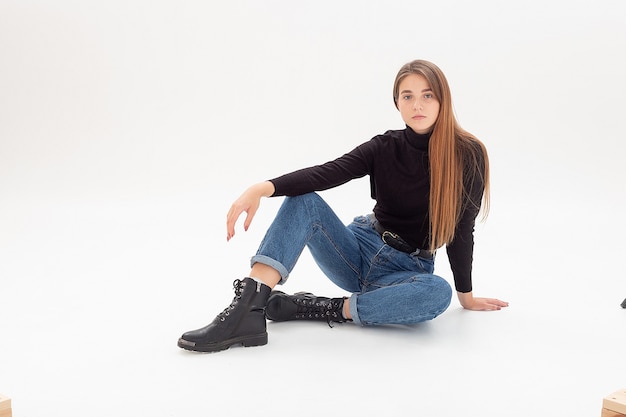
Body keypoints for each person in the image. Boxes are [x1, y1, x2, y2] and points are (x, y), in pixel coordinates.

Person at [177, 59, 509, 353]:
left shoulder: (467, 154)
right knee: (305, 202)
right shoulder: (384, 147)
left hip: (407, 271)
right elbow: (328, 172)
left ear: (442, 99)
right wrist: (263, 188)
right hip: (357, 250)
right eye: (407, 96)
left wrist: (466, 296)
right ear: (397, 103)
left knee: (438, 294)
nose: (417, 104)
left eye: (427, 95)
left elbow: (462, 230)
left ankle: (320, 308)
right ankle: (247, 310)